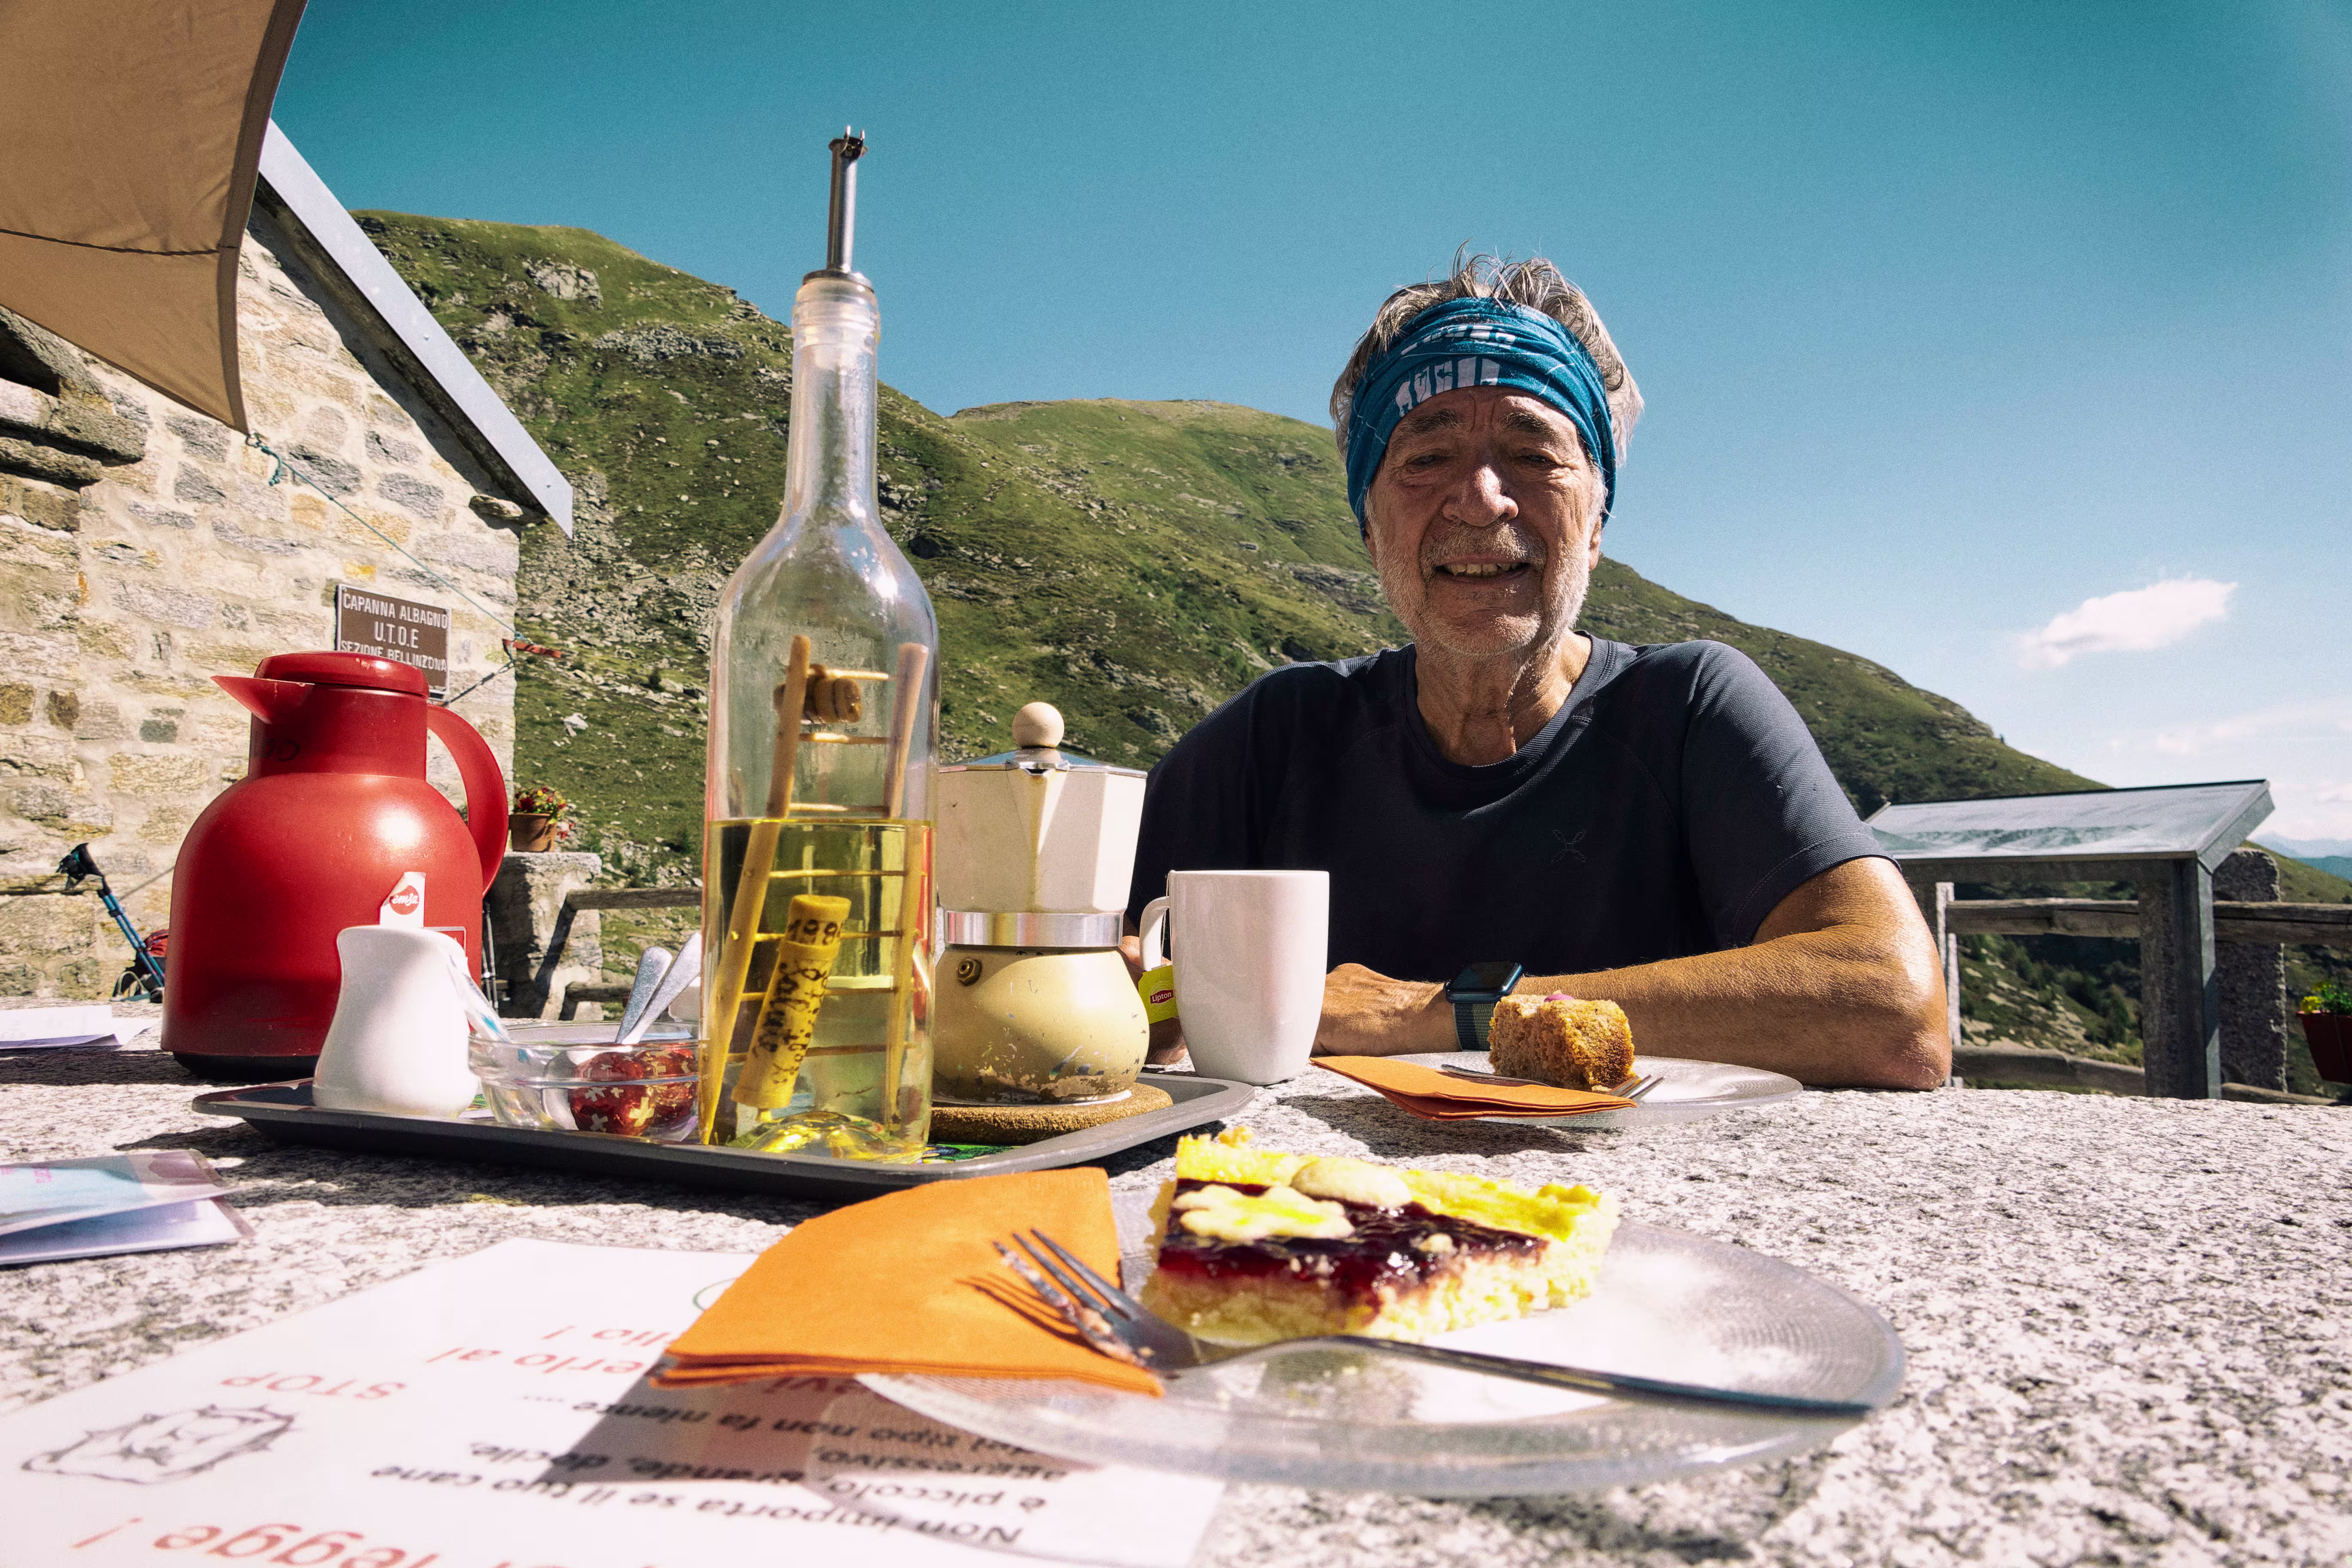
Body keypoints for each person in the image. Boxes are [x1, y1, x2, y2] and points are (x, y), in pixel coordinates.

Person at [1124, 255, 1948, 1089]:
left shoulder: (1690, 708)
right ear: (1368, 525)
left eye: (1533, 453)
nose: (1481, 500)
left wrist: (1440, 1012)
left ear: (1596, 520)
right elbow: (1080, 977)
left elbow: (1894, 1008)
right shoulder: (1277, 734)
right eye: (1425, 459)